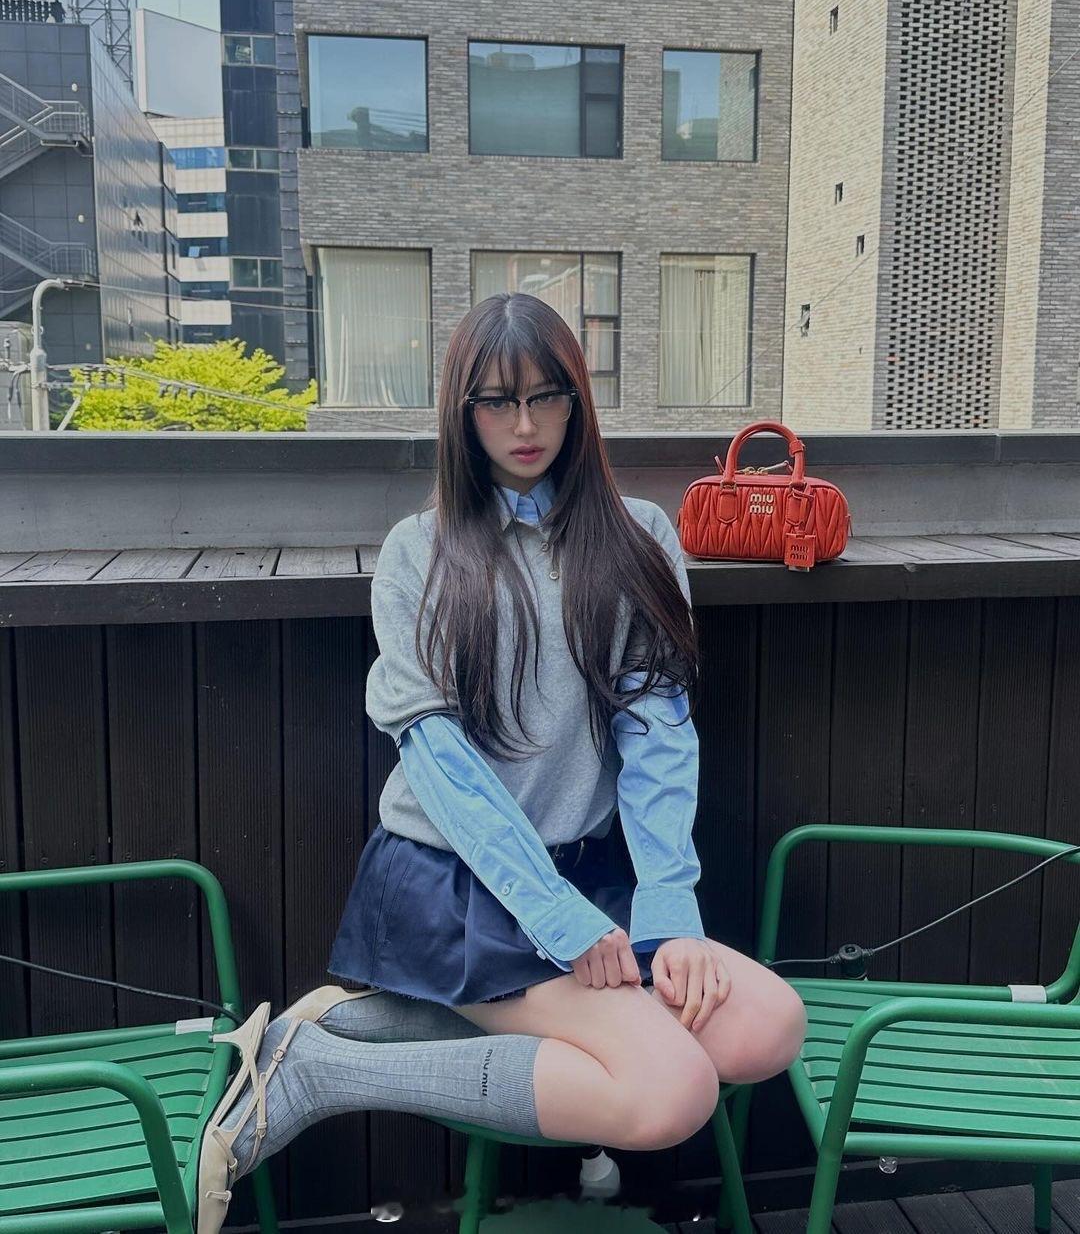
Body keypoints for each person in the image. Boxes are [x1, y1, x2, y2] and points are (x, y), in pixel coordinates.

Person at [195, 293, 807, 1233]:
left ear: (577, 402)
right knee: (671, 1091)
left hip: (589, 872)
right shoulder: (419, 552)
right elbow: (440, 762)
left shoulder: (639, 535)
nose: (525, 426)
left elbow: (658, 732)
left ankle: (366, 1023)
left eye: (546, 397)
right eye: (496, 401)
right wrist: (555, 915)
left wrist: (669, 909)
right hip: (454, 882)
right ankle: (320, 1072)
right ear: (462, 411)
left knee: (769, 1027)